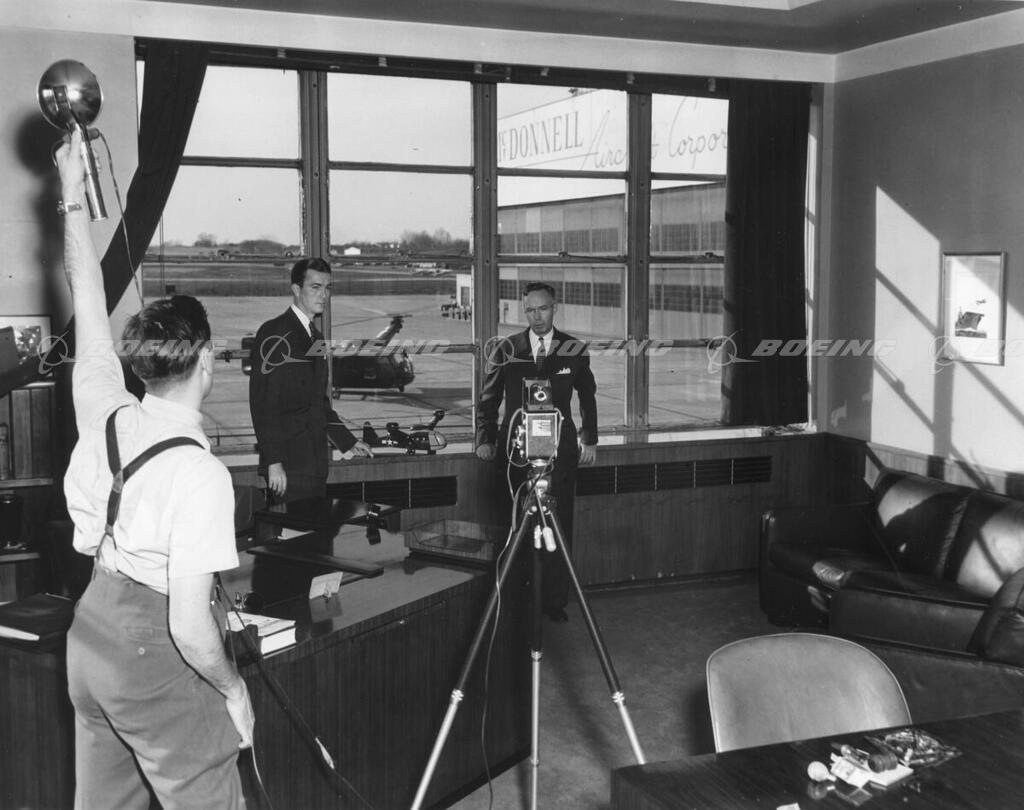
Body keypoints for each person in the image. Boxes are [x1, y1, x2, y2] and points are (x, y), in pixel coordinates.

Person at [57, 129, 254, 808]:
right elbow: (190, 629)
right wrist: (234, 690)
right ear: (206, 361)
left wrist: (70, 196)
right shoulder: (202, 476)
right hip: (149, 655)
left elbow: (87, 296)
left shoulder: (105, 408)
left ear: (140, 362)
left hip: (89, 638)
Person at [476, 281, 597, 622]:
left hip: (560, 452)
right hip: (516, 452)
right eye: (530, 310)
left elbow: (587, 396)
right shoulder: (506, 348)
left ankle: (554, 601)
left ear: (554, 308)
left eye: (542, 309)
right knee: (516, 524)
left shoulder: (573, 348)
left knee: (558, 524)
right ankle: (515, 598)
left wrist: (590, 439)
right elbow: (488, 399)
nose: (536, 316)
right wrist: (484, 438)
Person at [249, 257, 372, 503]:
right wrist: (274, 462)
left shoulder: (315, 337)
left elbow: (319, 403)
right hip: (287, 466)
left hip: (313, 464)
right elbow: (264, 404)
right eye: (315, 287)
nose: (324, 295)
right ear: (296, 289)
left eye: (327, 287)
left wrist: (348, 442)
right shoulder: (275, 333)